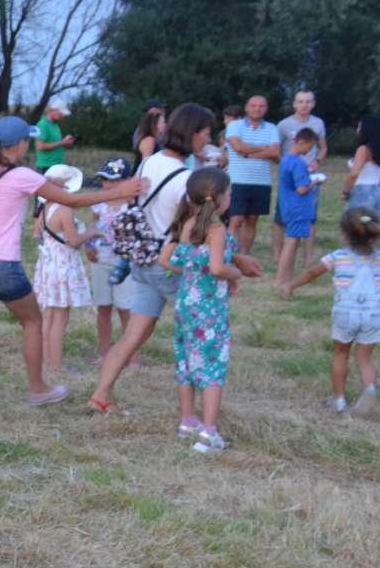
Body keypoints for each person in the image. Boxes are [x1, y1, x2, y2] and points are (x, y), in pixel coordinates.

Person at [0, 117, 139, 419]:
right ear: (19, 144)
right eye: (27, 140)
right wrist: (118, 192)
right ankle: (37, 389)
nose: (28, 145)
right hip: (2, 263)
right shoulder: (21, 176)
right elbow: (71, 201)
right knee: (33, 322)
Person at [88, 104, 264, 414]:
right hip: (172, 266)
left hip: (146, 260)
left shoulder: (148, 162)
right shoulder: (186, 180)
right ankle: (202, 413)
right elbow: (201, 233)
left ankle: (100, 395)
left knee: (133, 335)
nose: (207, 140)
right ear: (192, 133)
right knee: (204, 338)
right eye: (206, 133)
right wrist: (236, 261)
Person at [158, 169, 243, 453]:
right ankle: (208, 433)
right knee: (212, 365)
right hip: (209, 310)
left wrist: (194, 273)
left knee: (186, 361)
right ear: (218, 198)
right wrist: (236, 274)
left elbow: (170, 261)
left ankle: (188, 422)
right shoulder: (216, 230)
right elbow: (217, 268)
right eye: (229, 193)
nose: (230, 197)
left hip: (186, 304)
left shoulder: (188, 224)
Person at [282, 207, 380, 416]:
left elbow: (312, 273)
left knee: (340, 353)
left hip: (346, 313)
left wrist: (292, 285)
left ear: (345, 233)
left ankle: (339, 400)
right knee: (365, 357)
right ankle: (369, 388)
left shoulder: (338, 256)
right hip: (374, 314)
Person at [32, 164, 94, 377]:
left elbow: (38, 234)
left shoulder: (44, 208)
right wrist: (91, 232)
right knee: (61, 317)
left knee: (49, 314)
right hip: (63, 266)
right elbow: (74, 241)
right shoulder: (65, 210)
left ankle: (47, 360)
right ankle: (57, 365)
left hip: (48, 265)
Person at [85, 158, 138, 365]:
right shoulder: (99, 204)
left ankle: (131, 355)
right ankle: (105, 352)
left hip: (124, 264)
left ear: (128, 181)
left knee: (126, 308)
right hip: (101, 260)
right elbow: (94, 226)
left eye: (114, 180)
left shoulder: (133, 205)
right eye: (105, 180)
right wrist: (89, 245)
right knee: (103, 307)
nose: (108, 185)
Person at [271, 91, 328, 267]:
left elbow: (323, 147)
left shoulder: (318, 123)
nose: (304, 105)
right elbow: (276, 149)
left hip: (309, 173)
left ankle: (308, 257)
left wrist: (317, 161)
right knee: (281, 216)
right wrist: (287, 165)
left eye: (308, 101)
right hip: (291, 174)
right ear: (294, 104)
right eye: (301, 101)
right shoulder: (284, 124)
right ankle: (278, 255)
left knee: (310, 215)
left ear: (313, 104)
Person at [224, 95, 279, 256]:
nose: (257, 109)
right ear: (247, 108)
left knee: (252, 220)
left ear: (266, 109)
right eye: (253, 105)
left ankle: (244, 255)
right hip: (237, 180)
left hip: (261, 181)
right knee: (235, 220)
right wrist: (264, 147)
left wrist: (248, 153)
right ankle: (229, 255)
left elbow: (275, 152)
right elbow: (238, 147)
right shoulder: (234, 126)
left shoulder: (272, 128)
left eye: (261, 106)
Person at [275, 127, 324, 286]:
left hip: (287, 204)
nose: (310, 150)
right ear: (302, 142)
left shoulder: (286, 159)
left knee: (293, 241)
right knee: (291, 242)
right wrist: (315, 181)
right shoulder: (298, 163)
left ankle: (287, 277)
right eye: (310, 146)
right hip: (298, 207)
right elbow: (302, 189)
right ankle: (281, 279)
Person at [343, 114, 380, 214]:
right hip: (378, 192)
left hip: (361, 190)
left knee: (356, 222)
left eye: (359, 126)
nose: (357, 129)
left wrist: (346, 191)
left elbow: (354, 174)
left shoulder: (364, 150)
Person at [33, 97, 74, 170]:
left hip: (57, 165)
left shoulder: (55, 125)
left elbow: (56, 144)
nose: (63, 116)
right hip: (46, 166)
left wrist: (66, 143)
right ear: (53, 110)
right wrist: (62, 142)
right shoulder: (42, 124)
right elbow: (40, 146)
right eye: (61, 113)